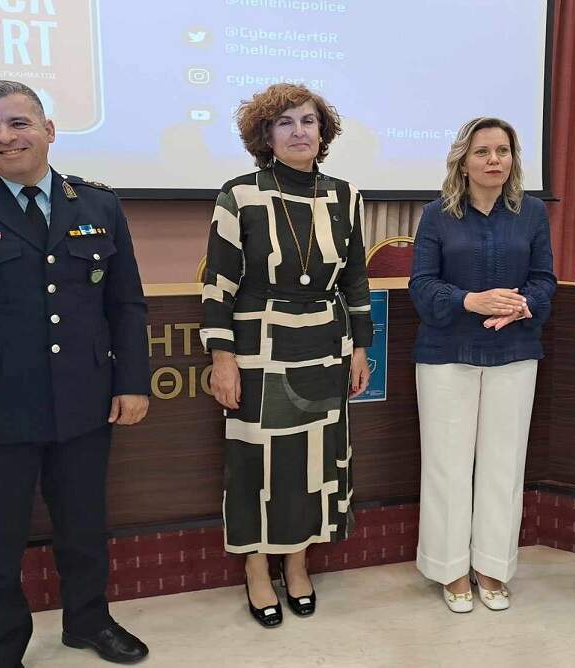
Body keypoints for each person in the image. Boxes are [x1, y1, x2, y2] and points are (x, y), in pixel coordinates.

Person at [0, 80, 150, 667]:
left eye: (18, 122)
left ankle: (88, 622)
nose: (5, 137)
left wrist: (131, 381)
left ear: (48, 130)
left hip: (84, 401)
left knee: (84, 528)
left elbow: (125, 305)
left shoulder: (98, 204)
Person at [200, 83, 372, 628]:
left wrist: (360, 348)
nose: (299, 131)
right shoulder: (240, 194)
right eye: (285, 123)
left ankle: (297, 564)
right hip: (259, 348)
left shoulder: (345, 196)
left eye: (308, 121)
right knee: (258, 464)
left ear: (323, 132)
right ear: (266, 136)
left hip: (324, 344)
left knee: (311, 462)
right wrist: (222, 357)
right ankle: (257, 570)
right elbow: (218, 284)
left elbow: (356, 279)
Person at [409, 117, 556, 613]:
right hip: (446, 354)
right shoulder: (436, 215)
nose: (494, 160)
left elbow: (544, 279)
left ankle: (493, 565)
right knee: (447, 465)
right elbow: (421, 285)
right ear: (463, 161)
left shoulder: (532, 212)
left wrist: (522, 305)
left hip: (514, 352)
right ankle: (449, 568)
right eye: (483, 152)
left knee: (504, 464)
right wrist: (471, 301)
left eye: (503, 151)